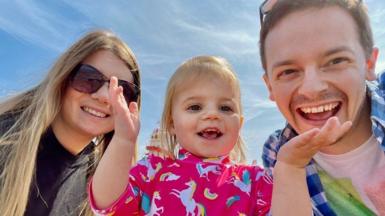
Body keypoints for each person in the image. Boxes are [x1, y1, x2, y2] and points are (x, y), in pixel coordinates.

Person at [89, 55, 275, 215]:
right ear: (172, 124)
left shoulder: (256, 182)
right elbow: (107, 204)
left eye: (225, 108)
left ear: (239, 124)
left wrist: (292, 167)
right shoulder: (153, 171)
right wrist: (123, 140)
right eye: (195, 107)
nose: (212, 114)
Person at [259, 0, 385, 215]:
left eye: (336, 61)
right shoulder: (278, 150)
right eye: (288, 71)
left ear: (369, 65)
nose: (312, 89)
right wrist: (290, 169)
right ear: (270, 86)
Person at [0, 30, 141, 216]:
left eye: (122, 91)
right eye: (89, 79)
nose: (105, 96)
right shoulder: (5, 139)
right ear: (63, 78)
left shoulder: (101, 180)